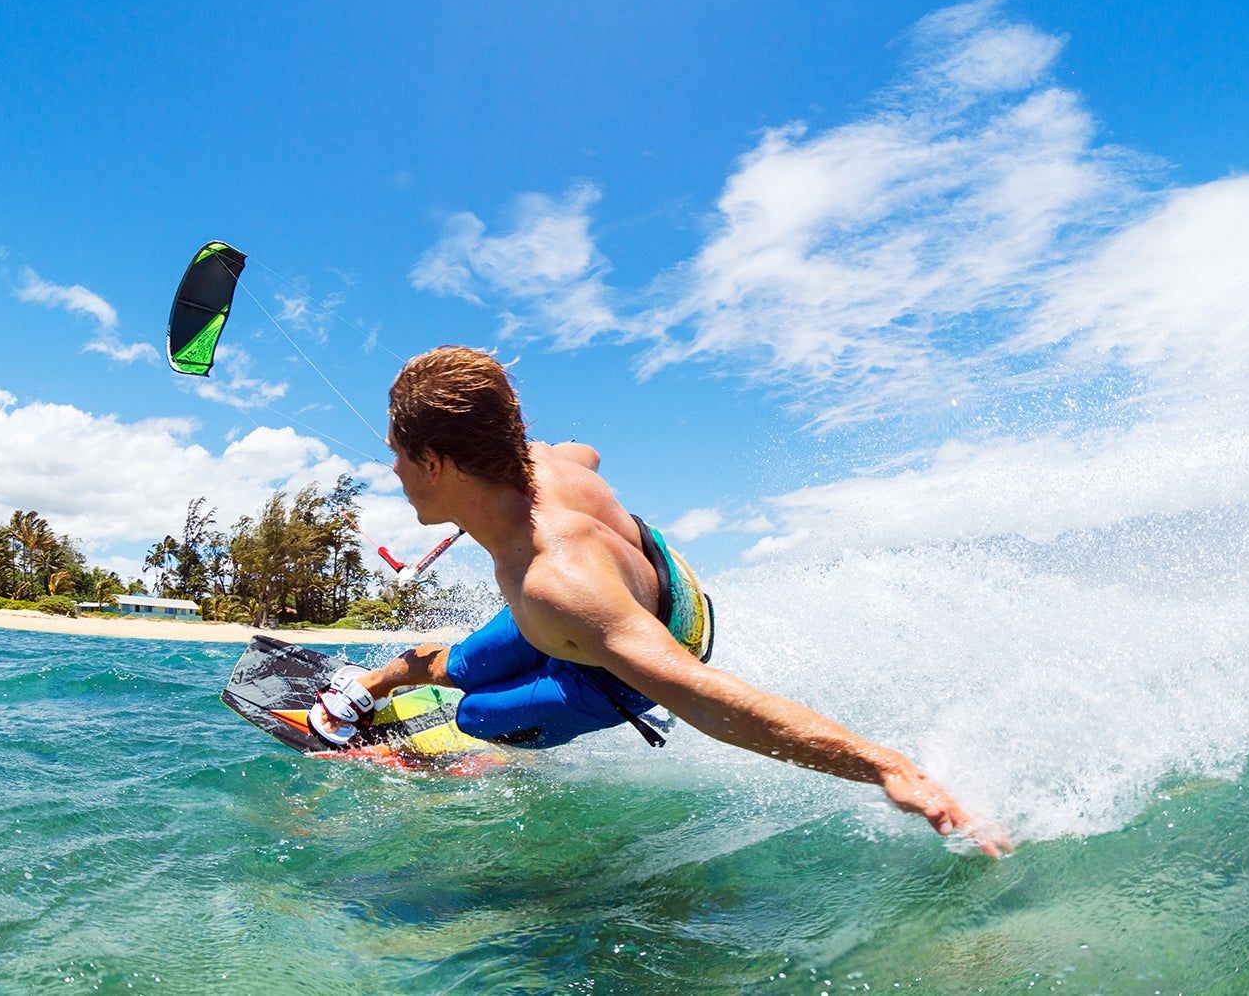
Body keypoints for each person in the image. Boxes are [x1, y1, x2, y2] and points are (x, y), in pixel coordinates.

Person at [313, 346, 1008, 857]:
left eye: (398, 455)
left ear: (434, 463)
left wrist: (886, 766)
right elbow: (586, 451)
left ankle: (426, 759)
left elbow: (702, 696)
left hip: (635, 646)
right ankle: (371, 688)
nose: (393, 469)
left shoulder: (558, 584)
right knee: (461, 660)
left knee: (474, 711)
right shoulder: (542, 461)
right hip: (649, 579)